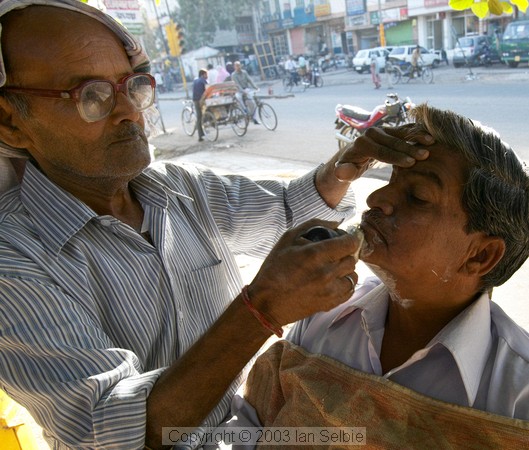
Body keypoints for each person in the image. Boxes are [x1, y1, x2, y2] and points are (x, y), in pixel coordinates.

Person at [0, 1, 431, 449]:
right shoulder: (12, 260)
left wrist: (343, 167)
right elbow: (116, 431)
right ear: (11, 122)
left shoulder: (180, 188)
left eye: (133, 86)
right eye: (91, 95)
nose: (130, 110)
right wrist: (260, 310)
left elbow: (286, 209)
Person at [219, 104, 529, 447]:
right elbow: (249, 427)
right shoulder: (322, 316)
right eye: (392, 181)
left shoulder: (517, 396)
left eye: (417, 197)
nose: (376, 197)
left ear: (481, 256)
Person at [231, 61, 260, 125]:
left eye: (239, 65)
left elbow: (250, 80)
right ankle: (244, 110)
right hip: (239, 91)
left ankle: (254, 118)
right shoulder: (233, 75)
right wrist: (243, 91)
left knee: (252, 103)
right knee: (239, 98)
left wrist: (255, 87)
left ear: (241, 66)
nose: (238, 67)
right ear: (234, 67)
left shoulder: (244, 72)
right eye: (237, 66)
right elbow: (237, 85)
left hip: (246, 89)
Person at [192, 68, 208, 142]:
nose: (207, 75)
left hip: (196, 100)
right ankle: (200, 135)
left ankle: (201, 130)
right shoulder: (203, 81)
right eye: (206, 74)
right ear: (203, 75)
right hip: (199, 100)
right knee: (200, 116)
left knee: (200, 116)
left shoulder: (196, 80)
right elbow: (206, 92)